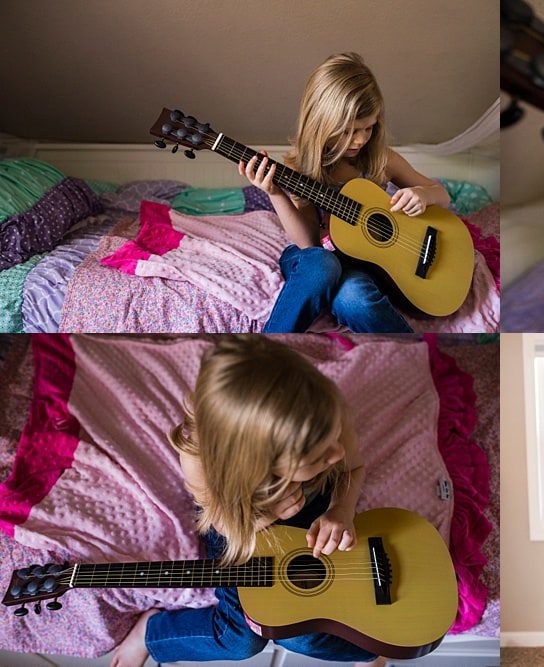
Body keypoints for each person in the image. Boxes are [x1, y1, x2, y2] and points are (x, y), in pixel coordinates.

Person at [111, 336, 375, 666]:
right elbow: (219, 522)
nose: (337, 453)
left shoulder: (326, 419)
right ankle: (154, 633)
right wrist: (264, 515)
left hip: (310, 509)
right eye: (320, 455)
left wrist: (341, 510)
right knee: (241, 640)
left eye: (335, 440)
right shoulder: (202, 464)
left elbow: (353, 468)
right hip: (240, 522)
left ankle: (370, 647)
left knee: (311, 620)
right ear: (261, 465)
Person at [242, 52, 451, 333]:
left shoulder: (381, 160)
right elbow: (309, 243)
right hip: (316, 259)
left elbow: (442, 195)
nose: (362, 139)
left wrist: (424, 196)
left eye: (369, 128)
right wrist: (276, 193)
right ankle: (265, 350)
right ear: (321, 124)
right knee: (322, 265)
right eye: (349, 131)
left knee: (354, 298)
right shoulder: (303, 170)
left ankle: (416, 356)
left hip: (365, 264)